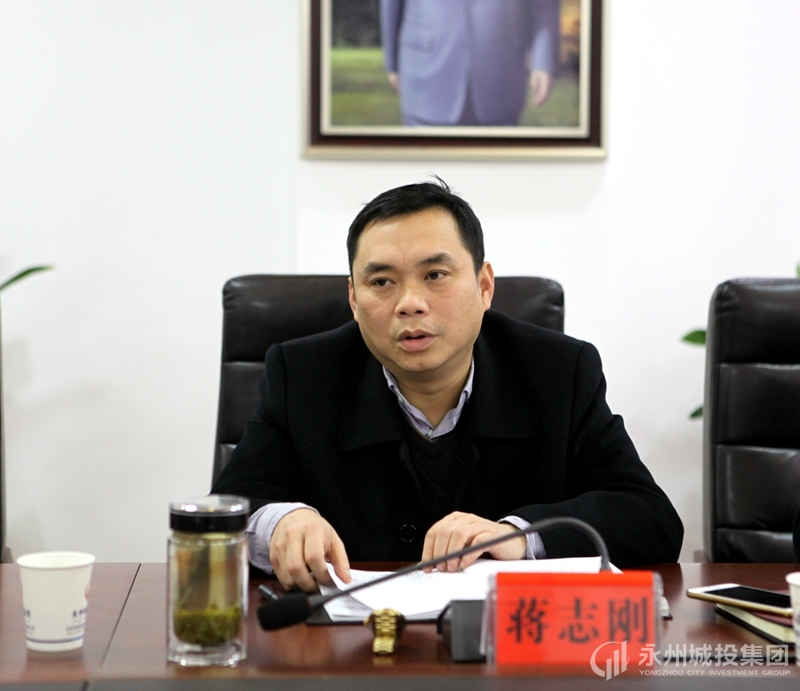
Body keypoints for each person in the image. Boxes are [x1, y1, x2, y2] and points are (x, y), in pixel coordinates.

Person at [212, 180, 684, 593]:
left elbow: (650, 518)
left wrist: (519, 535)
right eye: (382, 282)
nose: (410, 303)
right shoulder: (302, 375)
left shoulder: (559, 371)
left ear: (484, 286)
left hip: (506, 652)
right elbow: (228, 509)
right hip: (349, 645)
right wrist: (282, 521)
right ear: (354, 299)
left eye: (435, 275)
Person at [380, 0, 560, 126]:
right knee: (425, 166)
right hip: (426, 73)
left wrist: (543, 60)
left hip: (500, 74)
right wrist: (392, 62)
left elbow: (544, 4)